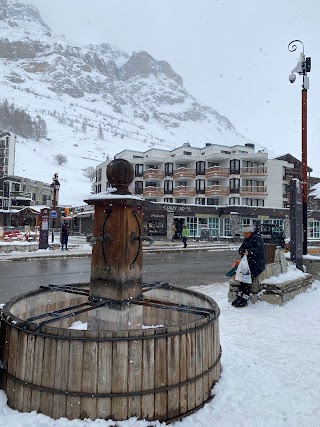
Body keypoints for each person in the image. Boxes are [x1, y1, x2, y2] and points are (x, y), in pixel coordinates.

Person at [232, 225, 265, 308]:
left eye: (246, 233)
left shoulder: (257, 238)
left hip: (255, 264)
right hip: (247, 264)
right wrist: (241, 251)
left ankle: (244, 298)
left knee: (247, 281)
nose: (244, 235)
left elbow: (259, 249)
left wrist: (249, 252)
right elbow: (242, 247)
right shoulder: (247, 239)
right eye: (243, 233)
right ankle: (239, 296)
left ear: (250, 232)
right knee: (242, 280)